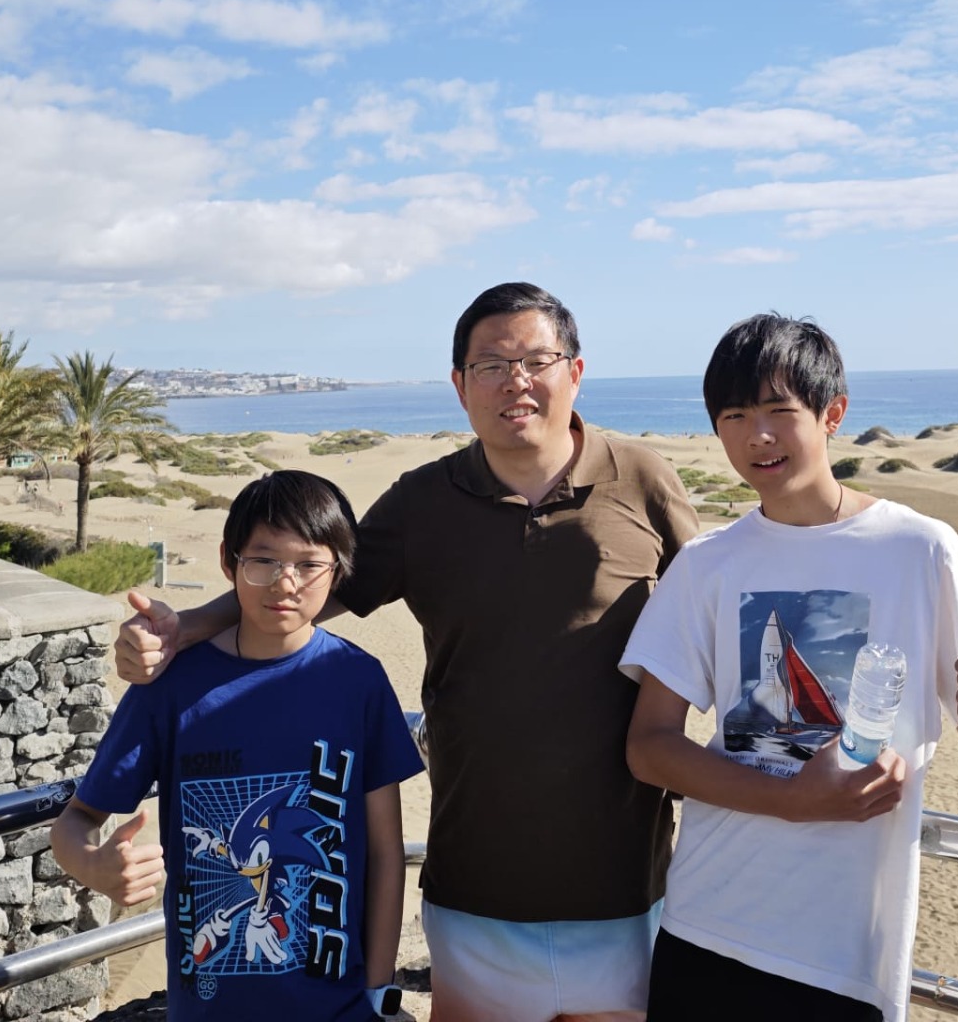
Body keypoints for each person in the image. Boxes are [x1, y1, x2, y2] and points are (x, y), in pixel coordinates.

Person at [114, 283, 701, 1022]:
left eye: (536, 359)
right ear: (459, 386)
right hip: (474, 894)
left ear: (575, 372)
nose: (515, 380)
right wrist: (189, 626)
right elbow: (304, 585)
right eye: (491, 364)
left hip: (626, 890)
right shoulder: (423, 502)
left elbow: (712, 620)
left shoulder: (644, 480)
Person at [621, 314, 958, 1021]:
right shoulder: (708, 564)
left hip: (846, 955)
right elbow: (649, 746)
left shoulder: (921, 550)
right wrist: (793, 799)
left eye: (781, 411)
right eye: (736, 416)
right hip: (706, 926)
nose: (759, 436)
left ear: (833, 414)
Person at [54, 471, 422, 1021]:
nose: (285, 583)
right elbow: (76, 818)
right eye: (264, 561)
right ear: (229, 563)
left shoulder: (358, 681)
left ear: (338, 570)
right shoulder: (172, 688)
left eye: (308, 564)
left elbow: (387, 852)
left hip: (339, 1010)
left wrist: (376, 992)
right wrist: (93, 864)